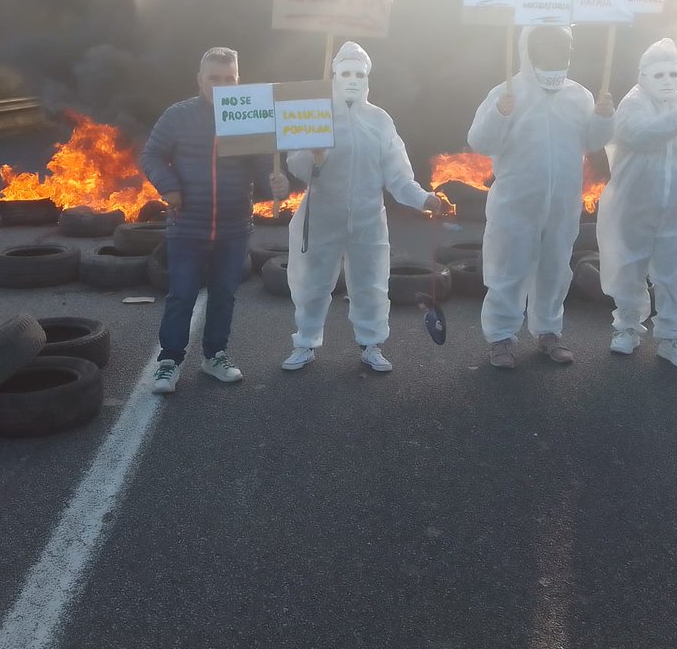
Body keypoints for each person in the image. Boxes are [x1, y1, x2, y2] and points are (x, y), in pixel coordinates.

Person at [280, 41, 443, 373]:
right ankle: (305, 343)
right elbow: (297, 168)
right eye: (345, 72)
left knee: (371, 283)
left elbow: (397, 174)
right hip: (323, 214)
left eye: (358, 73)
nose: (352, 79)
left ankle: (372, 344)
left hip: (368, 217)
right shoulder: (315, 112)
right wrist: (314, 156)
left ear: (367, 77)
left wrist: (422, 198)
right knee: (313, 282)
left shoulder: (380, 120)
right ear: (334, 75)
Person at [140, 47, 289, 393]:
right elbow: (152, 155)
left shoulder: (250, 116)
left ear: (239, 80)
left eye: (229, 79)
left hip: (235, 226)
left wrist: (278, 183)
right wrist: (169, 187)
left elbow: (265, 168)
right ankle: (169, 362)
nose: (222, 85)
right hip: (187, 224)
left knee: (224, 293)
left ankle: (215, 356)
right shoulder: (177, 116)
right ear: (199, 80)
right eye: (214, 78)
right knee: (182, 294)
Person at [467, 25, 615, 368]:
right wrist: (500, 113)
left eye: (567, 47)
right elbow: (480, 141)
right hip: (516, 200)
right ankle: (501, 337)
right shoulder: (507, 92)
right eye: (551, 46)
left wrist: (604, 118)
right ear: (529, 49)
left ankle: (549, 331)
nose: (562, 54)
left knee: (555, 268)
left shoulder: (579, 95)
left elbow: (592, 141)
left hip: (562, 202)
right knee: (508, 267)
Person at [597, 38, 677, 369]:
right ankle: (626, 328)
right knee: (629, 269)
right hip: (633, 207)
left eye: (672, 73)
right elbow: (636, 135)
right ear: (643, 75)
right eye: (659, 74)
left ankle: (671, 337)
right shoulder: (632, 104)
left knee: (672, 275)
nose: (667, 80)